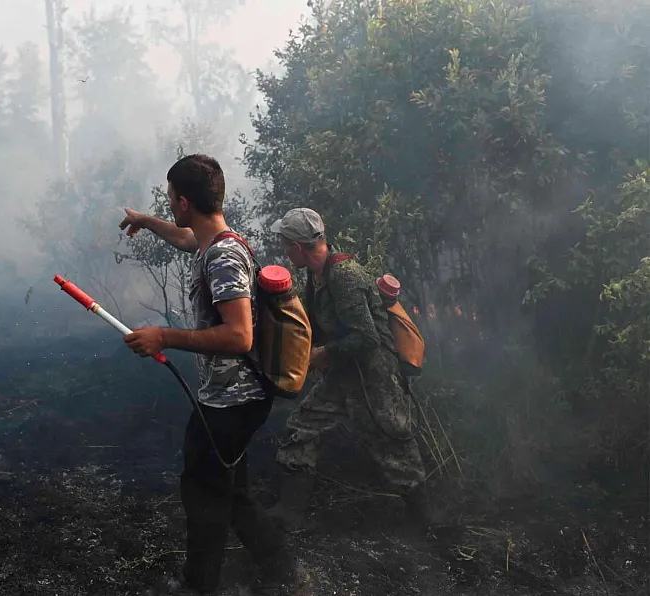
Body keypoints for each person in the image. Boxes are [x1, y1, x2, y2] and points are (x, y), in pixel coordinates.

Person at [118, 155, 309, 596]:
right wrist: (147, 221)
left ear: (184, 202)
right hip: (235, 396)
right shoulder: (216, 240)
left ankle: (198, 586)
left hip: (233, 400)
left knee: (203, 489)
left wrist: (164, 336)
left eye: (169, 200)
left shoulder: (221, 258)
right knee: (232, 489)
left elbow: (240, 336)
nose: (169, 207)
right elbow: (186, 238)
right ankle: (285, 572)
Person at [266, 207, 434, 532]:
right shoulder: (317, 275)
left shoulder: (344, 277)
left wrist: (324, 353)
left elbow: (367, 337)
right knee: (303, 426)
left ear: (300, 246)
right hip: (345, 373)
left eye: (286, 244)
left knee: (393, 443)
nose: (284, 250)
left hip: (374, 376)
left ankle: (425, 522)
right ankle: (290, 513)